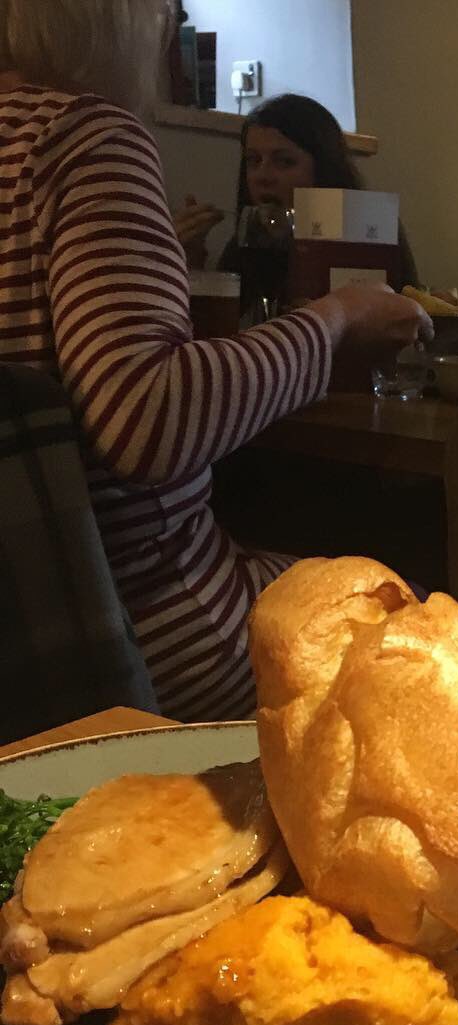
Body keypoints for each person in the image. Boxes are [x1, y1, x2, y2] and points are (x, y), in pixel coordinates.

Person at [0, 0, 432, 722]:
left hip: (23, 635)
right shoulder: (81, 137)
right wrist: (335, 323)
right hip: (134, 642)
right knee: (421, 608)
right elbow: (146, 418)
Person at [175, 92, 420, 304]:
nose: (262, 176)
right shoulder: (252, 239)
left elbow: (412, 318)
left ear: (323, 167)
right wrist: (190, 262)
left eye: (284, 162)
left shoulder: (373, 231)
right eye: (253, 160)